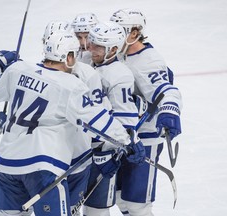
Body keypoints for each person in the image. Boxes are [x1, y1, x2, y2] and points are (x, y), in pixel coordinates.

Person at [0, 31, 145, 216]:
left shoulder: (17, 70)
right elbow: (97, 120)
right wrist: (128, 140)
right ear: (68, 57)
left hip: (6, 165)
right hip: (42, 168)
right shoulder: (69, 86)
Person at [110, 9, 183, 216]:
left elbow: (166, 91)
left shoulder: (149, 61)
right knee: (119, 198)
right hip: (122, 137)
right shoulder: (118, 52)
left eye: (120, 31)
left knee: (137, 205)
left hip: (145, 139)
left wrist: (170, 111)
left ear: (134, 33)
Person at [42, 20, 111, 215]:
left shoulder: (87, 74)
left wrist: (107, 145)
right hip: (48, 156)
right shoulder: (42, 70)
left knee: (75, 209)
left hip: (78, 156)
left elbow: (99, 114)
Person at [82, 21, 141, 216]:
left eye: (99, 46)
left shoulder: (120, 74)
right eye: (92, 43)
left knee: (96, 210)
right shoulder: (83, 61)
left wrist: (112, 151)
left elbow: (125, 121)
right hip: (74, 148)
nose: (92, 49)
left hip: (100, 152)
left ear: (114, 49)